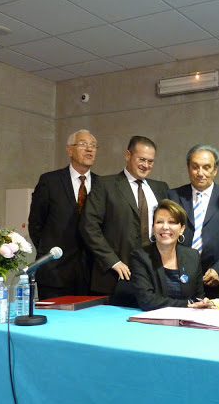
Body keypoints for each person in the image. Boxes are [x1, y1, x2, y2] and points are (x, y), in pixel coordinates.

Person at [80, 136, 169, 306]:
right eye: (141, 159)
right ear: (128, 155)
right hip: (115, 276)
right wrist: (112, 260)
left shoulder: (161, 188)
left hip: (153, 277)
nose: (146, 165)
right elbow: (89, 227)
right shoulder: (105, 185)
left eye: (150, 161)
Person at [28, 130, 99, 299]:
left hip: (91, 275)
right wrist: (50, 253)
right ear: (69, 150)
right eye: (83, 144)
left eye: (93, 146)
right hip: (55, 273)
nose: (89, 149)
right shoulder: (50, 181)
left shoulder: (102, 185)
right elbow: (35, 224)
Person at [167, 145, 219, 298]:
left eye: (206, 167)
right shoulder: (173, 196)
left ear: (215, 170)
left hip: (213, 279)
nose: (200, 173)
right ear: (188, 168)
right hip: (177, 276)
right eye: (195, 167)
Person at [130, 199, 205, 311]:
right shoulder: (140, 257)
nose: (165, 227)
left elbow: (199, 297)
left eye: (172, 222)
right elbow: (147, 301)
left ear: (182, 229)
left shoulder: (193, 256)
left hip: (187, 322)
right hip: (151, 321)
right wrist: (187, 304)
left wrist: (203, 303)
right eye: (159, 222)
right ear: (153, 228)